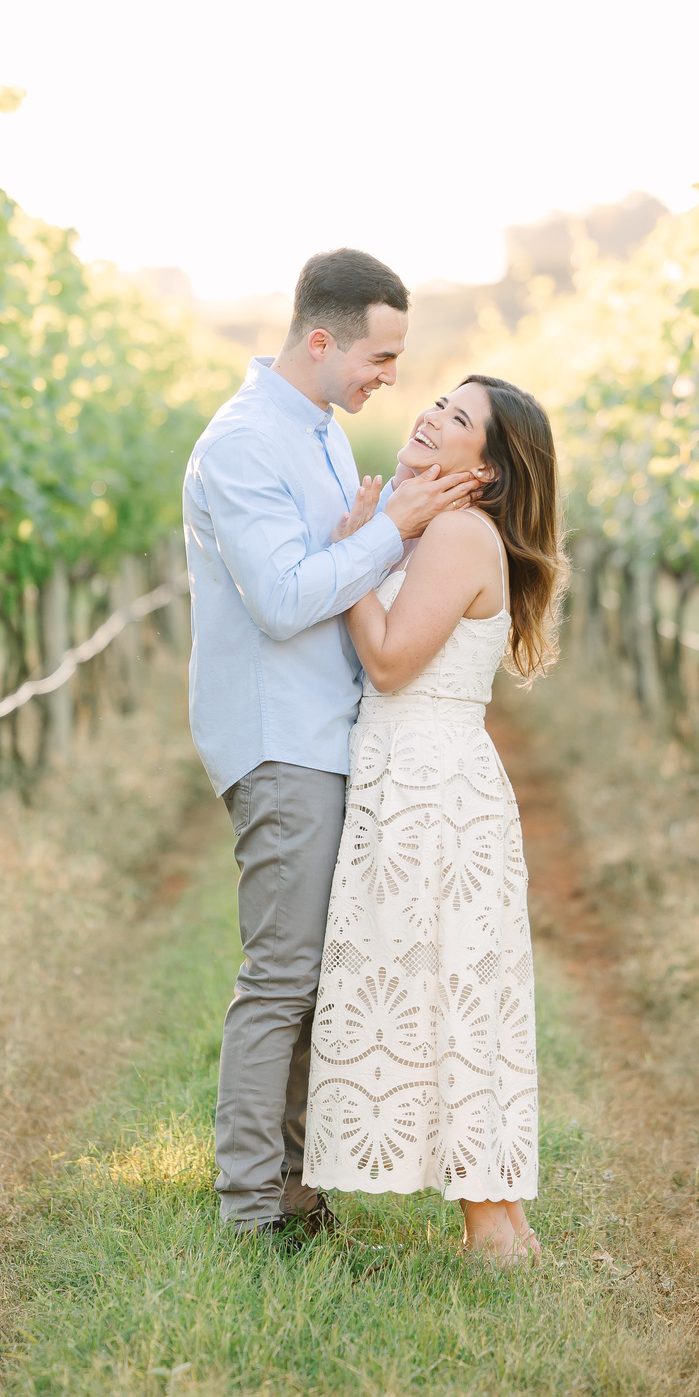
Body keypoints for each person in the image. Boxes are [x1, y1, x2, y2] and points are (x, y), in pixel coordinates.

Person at [182, 249, 483, 1242]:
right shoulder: (242, 445)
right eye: (380, 356)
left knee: (321, 977)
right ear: (323, 339)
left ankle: (295, 1188)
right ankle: (248, 1210)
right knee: (281, 976)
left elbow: (331, 569)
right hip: (281, 741)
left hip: (327, 733)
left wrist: (374, 525)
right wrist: (390, 529)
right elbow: (281, 603)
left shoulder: (310, 431)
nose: (389, 379)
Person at [304, 374, 567, 1263]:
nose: (430, 416)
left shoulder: (456, 533)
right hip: (431, 777)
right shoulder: (456, 531)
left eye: (458, 420)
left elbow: (387, 663)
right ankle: (503, 1226)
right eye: (438, 404)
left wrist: (350, 559)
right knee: (458, 986)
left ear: (485, 473)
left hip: (425, 786)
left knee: (444, 987)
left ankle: (493, 1229)